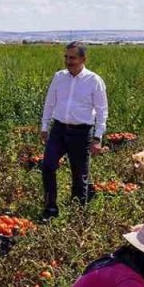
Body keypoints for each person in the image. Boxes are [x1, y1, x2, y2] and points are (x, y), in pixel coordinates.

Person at [39, 42, 108, 217]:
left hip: (81, 132)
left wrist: (97, 138)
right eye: (66, 57)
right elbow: (49, 103)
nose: (68, 61)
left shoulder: (94, 81)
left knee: (79, 175)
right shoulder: (59, 77)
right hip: (59, 129)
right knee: (48, 166)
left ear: (83, 59)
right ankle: (50, 207)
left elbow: (102, 111)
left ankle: (77, 214)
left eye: (72, 58)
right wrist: (44, 126)